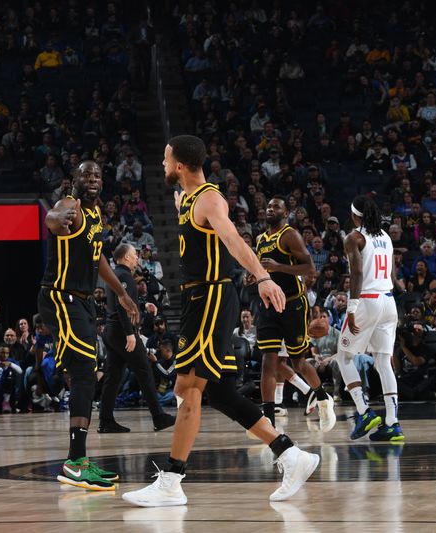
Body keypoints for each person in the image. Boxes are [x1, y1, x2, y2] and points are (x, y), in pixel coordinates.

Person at [123, 135, 318, 507]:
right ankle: (291, 454)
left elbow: (232, 239)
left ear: (179, 164)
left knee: (189, 386)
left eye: (166, 160)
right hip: (200, 298)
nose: (163, 165)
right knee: (217, 391)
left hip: (211, 296)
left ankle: (172, 479)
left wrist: (262, 277)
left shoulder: (210, 198)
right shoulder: (187, 199)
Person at [37, 160, 141, 491]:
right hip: (61, 296)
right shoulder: (71, 205)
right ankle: (75, 462)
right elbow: (52, 218)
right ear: (76, 180)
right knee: (83, 371)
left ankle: (78, 460)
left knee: (87, 371)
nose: (93, 179)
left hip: (81, 300)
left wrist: (122, 293)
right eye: (86, 175)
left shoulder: (96, 217)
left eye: (97, 174)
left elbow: (98, 259)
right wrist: (54, 219)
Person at [255, 196, 335, 431]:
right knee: (268, 362)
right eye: (268, 206)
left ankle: (321, 398)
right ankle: (268, 419)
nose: (271, 209)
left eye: (276, 206)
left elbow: (310, 269)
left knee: (298, 361)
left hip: (292, 305)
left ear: (286, 212)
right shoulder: (260, 239)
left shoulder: (290, 235)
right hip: (269, 306)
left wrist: (278, 267)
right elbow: (263, 269)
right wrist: (256, 275)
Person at [337, 195, 404, 442]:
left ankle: (364, 412)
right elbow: (392, 271)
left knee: (343, 357)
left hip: (367, 299)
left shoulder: (354, 237)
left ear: (355, 215)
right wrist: (397, 286)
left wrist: (352, 308)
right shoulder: (385, 236)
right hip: (388, 301)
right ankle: (392, 423)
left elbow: (356, 272)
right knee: (383, 362)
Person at [97, 243, 176, 433]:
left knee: (113, 377)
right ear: (125, 257)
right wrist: (130, 334)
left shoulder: (116, 274)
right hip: (121, 333)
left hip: (112, 333)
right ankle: (158, 417)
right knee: (145, 371)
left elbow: (124, 302)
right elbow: (121, 308)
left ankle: (105, 420)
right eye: (134, 255)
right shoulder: (124, 276)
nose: (137, 258)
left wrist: (143, 304)